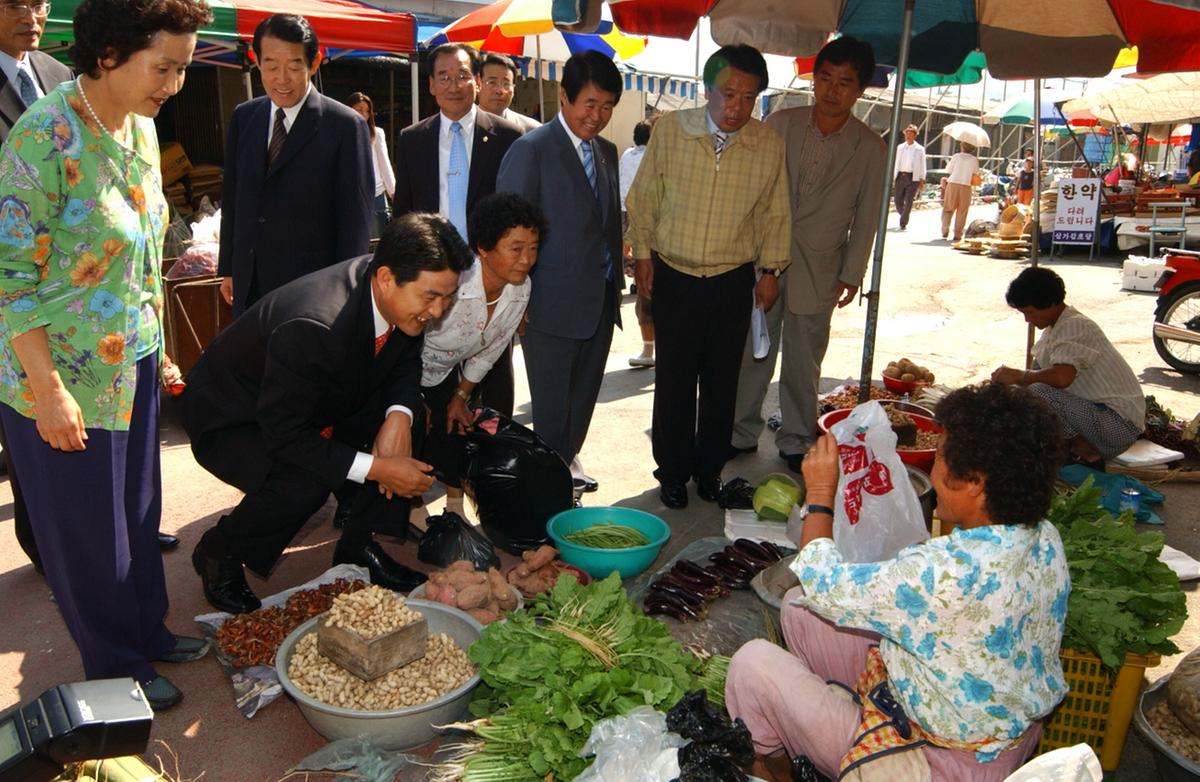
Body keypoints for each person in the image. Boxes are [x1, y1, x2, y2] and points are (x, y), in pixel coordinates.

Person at [0, 0, 213, 711]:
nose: (175, 84)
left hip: (134, 358)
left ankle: (147, 631)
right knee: (90, 533)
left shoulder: (141, 129)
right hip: (61, 376)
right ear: (112, 53)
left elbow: (148, 252)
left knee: (137, 510)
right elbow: (9, 279)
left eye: (183, 68)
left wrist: (164, 344)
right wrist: (47, 390)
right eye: (165, 67)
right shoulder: (42, 137)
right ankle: (113, 662)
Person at [726, 382, 1070, 781]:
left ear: (975, 482)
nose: (933, 470)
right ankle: (811, 723)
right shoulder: (1043, 536)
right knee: (801, 609)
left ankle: (781, 769)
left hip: (936, 765)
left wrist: (821, 491)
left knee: (752, 663)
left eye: (940, 459)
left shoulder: (944, 573)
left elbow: (823, 578)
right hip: (994, 735)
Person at [180, 214, 472, 614]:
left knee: (411, 421)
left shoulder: (394, 299)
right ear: (386, 278)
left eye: (448, 298)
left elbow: (404, 361)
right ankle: (219, 551)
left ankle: (356, 549)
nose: (438, 312)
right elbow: (286, 436)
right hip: (233, 416)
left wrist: (399, 416)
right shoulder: (315, 323)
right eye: (430, 297)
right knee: (306, 479)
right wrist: (377, 468)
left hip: (313, 398)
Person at [626, 44, 789, 509]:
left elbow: (776, 212)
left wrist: (771, 269)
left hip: (731, 278)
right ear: (707, 90)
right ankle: (673, 473)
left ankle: (710, 469)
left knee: (722, 382)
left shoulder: (767, 144)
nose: (736, 107)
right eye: (728, 94)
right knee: (675, 380)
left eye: (748, 97)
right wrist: (643, 255)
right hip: (674, 275)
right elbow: (645, 197)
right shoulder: (674, 131)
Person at [729, 36, 886, 473]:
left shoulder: (871, 148)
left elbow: (867, 216)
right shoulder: (780, 123)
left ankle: (797, 436)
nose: (833, 90)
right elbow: (751, 190)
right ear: (813, 79)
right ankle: (739, 431)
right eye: (826, 79)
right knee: (753, 349)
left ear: (860, 89)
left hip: (822, 266)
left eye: (845, 82)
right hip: (764, 260)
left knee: (805, 357)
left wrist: (852, 273)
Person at [496, 50, 624, 498]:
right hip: (548, 308)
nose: (598, 116)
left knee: (580, 409)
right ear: (564, 97)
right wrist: (516, 302)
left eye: (607, 106)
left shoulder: (607, 152)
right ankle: (543, 502)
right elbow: (507, 235)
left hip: (600, 303)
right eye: (589, 103)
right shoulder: (532, 150)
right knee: (550, 415)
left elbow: (608, 224)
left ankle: (560, 482)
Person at [392, 44, 523, 430]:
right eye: (444, 77)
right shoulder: (413, 139)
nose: (455, 85)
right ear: (431, 85)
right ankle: (449, 471)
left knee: (494, 368)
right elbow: (404, 212)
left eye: (463, 75)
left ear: (478, 81)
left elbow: (518, 212)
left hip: (491, 276)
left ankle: (496, 463)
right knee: (434, 370)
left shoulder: (507, 136)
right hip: (434, 277)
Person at [217, 13, 373, 316]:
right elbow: (233, 198)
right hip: (250, 283)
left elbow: (356, 219)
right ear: (257, 61)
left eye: (293, 66)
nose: (281, 79)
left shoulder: (344, 125)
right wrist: (229, 267)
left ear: (313, 64)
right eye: (271, 66)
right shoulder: (244, 117)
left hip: (312, 288)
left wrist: (345, 291)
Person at [0, 0, 77, 574]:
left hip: (71, 283)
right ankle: (45, 546)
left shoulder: (57, 76)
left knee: (76, 403)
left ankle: (100, 531)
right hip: (11, 276)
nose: (31, 15)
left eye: (40, 4)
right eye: (13, 4)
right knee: (26, 412)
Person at [419, 193, 545, 517]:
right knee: (410, 429)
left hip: (446, 368)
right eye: (515, 248)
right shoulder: (452, 285)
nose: (526, 259)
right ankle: (401, 512)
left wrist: (461, 393)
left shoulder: (521, 288)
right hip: (407, 365)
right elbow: (405, 340)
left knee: (457, 424)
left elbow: (493, 347)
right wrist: (409, 395)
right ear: (484, 248)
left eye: (533, 248)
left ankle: (454, 512)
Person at [991, 267, 1145, 467]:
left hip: (1117, 426)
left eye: (1030, 312)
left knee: (1038, 392)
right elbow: (1032, 380)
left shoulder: (1075, 325)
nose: (1027, 320)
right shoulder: (1052, 331)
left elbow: (1061, 378)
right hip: (1094, 419)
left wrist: (1020, 376)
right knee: (1024, 397)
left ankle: (1086, 453)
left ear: (1050, 302)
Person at [620, 118, 655, 368]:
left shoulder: (627, 155)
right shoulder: (656, 158)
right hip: (647, 227)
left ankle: (648, 350)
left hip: (627, 220)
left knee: (644, 289)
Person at [348, 91, 396, 239]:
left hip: (376, 193)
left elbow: (384, 164)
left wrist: (394, 192)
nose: (364, 114)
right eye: (359, 110)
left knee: (377, 241)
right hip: (351, 195)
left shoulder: (377, 133)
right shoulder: (342, 133)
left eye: (367, 111)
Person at [478, 51, 540, 132]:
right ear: (477, 84)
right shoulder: (461, 126)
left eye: (506, 84)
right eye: (492, 82)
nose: (500, 90)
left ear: (514, 88)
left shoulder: (531, 130)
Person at [942, 141, 979, 242]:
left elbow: (948, 170)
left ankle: (945, 228)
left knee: (948, 208)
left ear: (962, 146)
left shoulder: (956, 156)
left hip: (953, 183)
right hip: (966, 185)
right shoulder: (974, 159)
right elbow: (976, 173)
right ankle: (958, 234)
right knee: (962, 211)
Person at [893, 123, 925, 230]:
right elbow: (896, 162)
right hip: (901, 176)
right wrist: (894, 177)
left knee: (909, 200)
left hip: (912, 177)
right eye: (907, 133)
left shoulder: (919, 149)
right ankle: (904, 215)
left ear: (915, 135)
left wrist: (922, 179)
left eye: (911, 133)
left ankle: (903, 222)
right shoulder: (900, 147)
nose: (908, 135)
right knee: (898, 200)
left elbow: (922, 164)